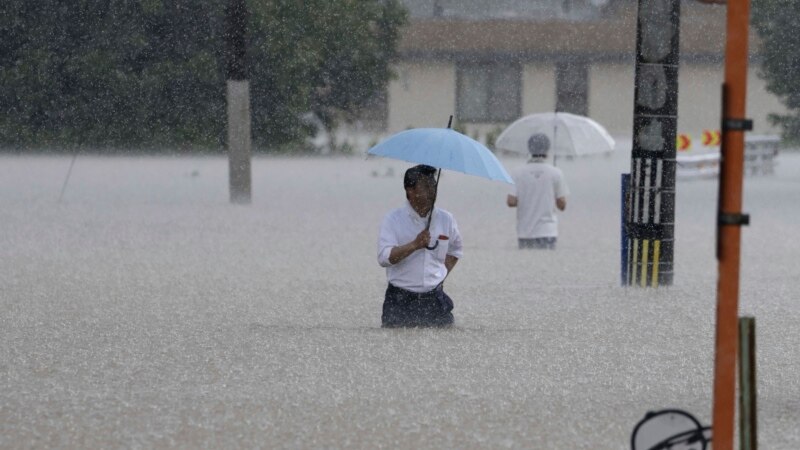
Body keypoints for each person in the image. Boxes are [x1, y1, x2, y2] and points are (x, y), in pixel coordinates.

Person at [377, 164, 463, 327]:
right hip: (400, 301)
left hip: (434, 299)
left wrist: (439, 275)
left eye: (433, 184)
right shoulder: (393, 220)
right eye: (426, 185)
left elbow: (456, 250)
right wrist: (414, 245)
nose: (432, 190)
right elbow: (384, 258)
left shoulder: (446, 219)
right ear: (410, 190)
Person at [506, 133, 569, 249]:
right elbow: (562, 205)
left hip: (525, 232)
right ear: (547, 149)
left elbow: (511, 202)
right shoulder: (556, 173)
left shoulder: (517, 173)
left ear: (529, 148)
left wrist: (528, 196)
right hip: (548, 232)